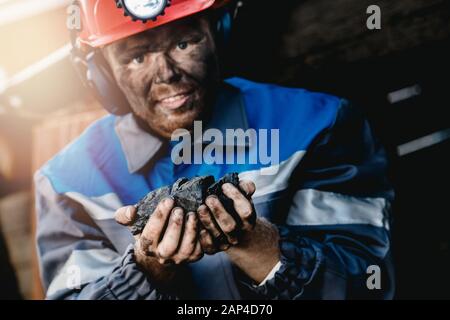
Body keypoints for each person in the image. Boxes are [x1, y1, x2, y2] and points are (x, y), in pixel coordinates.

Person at [34, 0, 394, 299]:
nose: (166, 74)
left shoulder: (319, 124)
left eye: (183, 43)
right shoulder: (66, 184)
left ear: (217, 34)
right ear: (102, 75)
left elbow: (368, 286)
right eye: (136, 57)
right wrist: (147, 271)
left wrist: (257, 243)